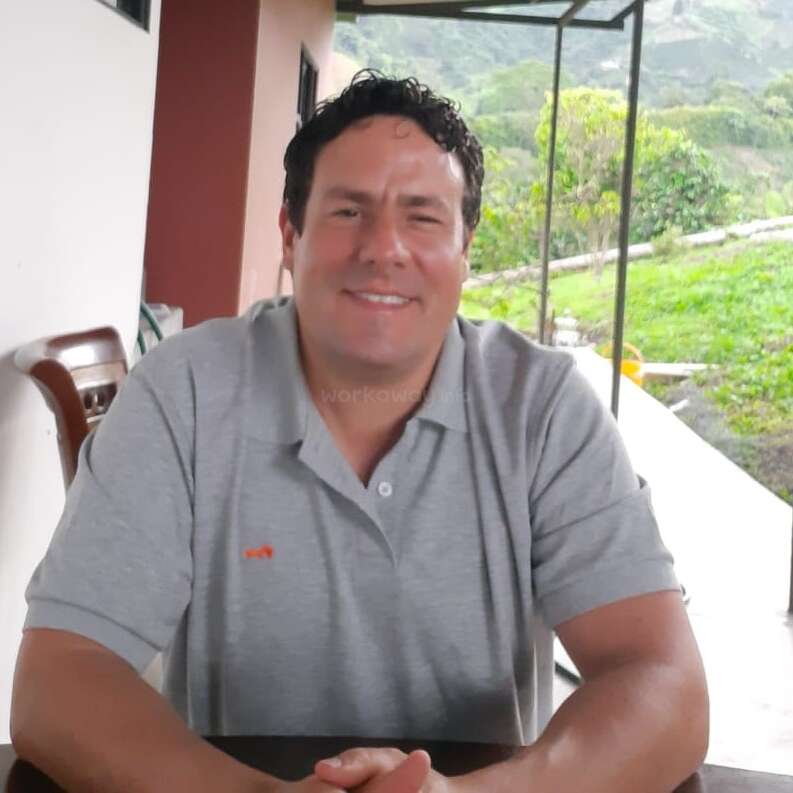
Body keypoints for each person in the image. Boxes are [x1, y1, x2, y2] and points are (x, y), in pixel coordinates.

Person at [11, 72, 708, 793]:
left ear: (465, 247)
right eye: (348, 211)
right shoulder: (184, 392)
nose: (384, 249)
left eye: (423, 217)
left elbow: (663, 683)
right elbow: (59, 679)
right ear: (291, 233)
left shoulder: (540, 407)